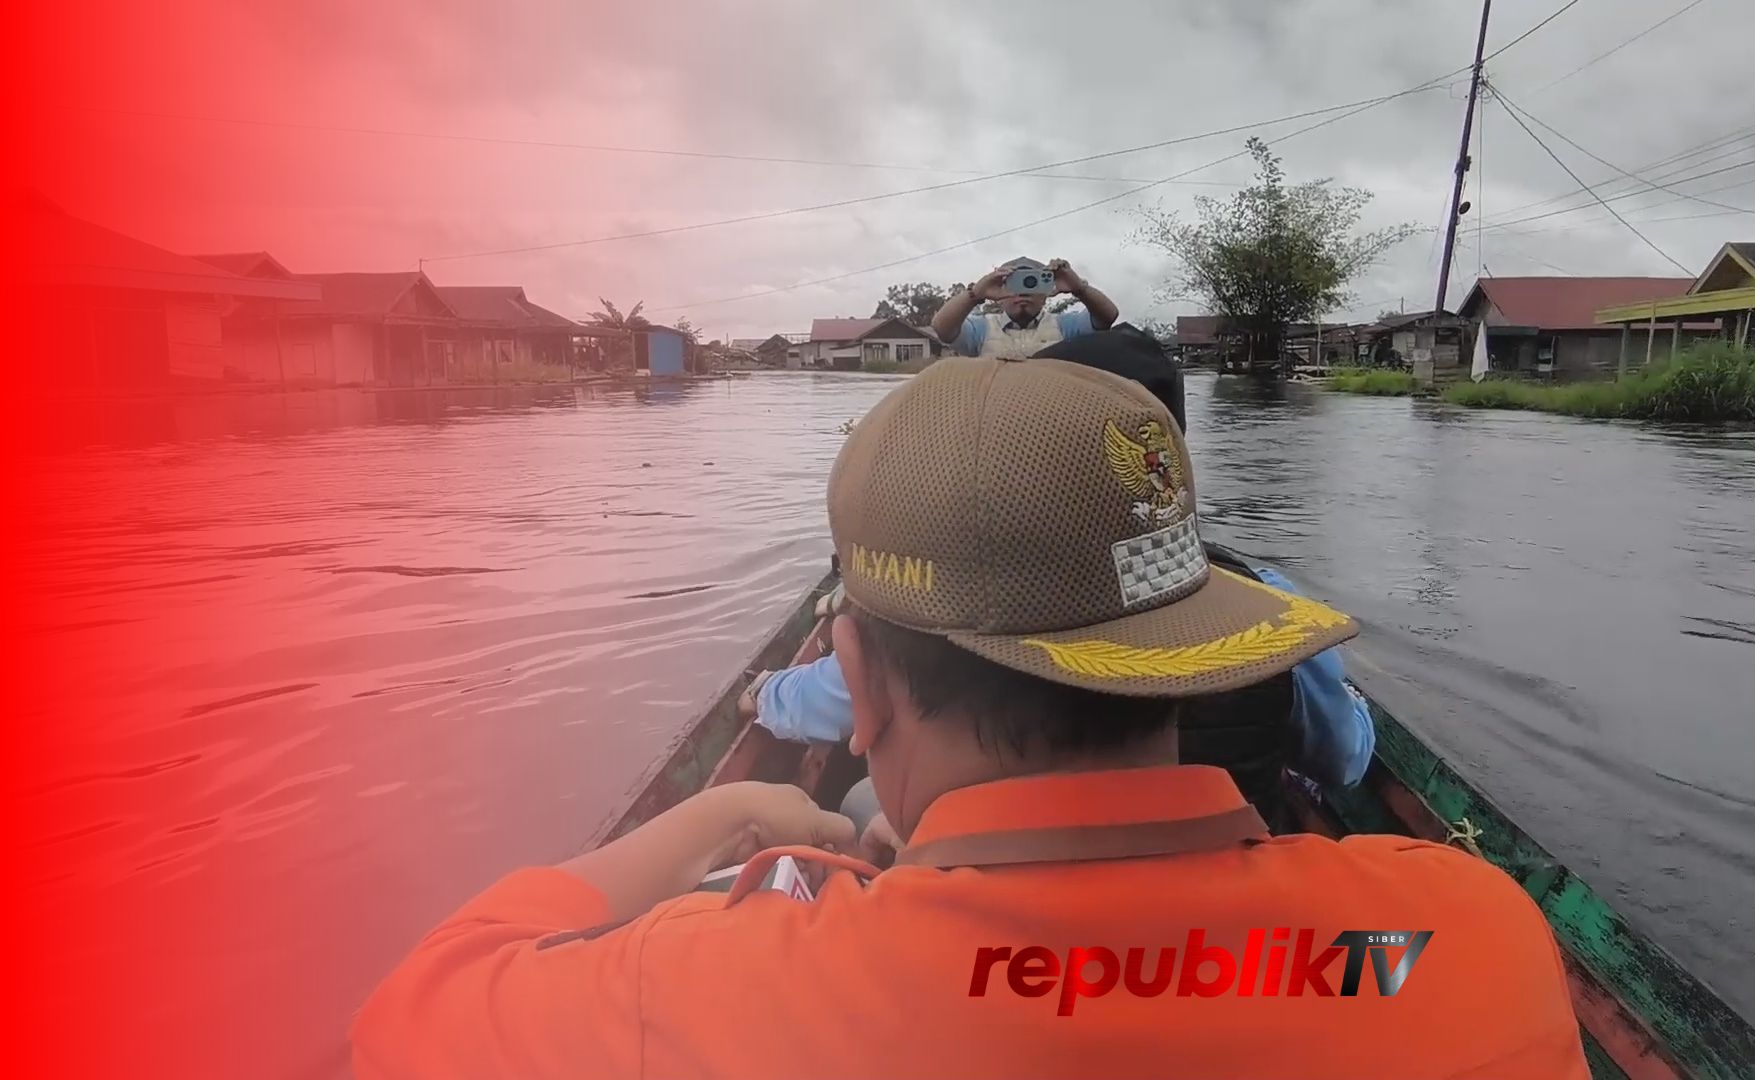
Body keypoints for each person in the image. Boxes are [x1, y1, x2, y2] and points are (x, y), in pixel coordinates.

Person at [352, 357, 1587, 1079]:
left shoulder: (721, 993)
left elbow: (418, 1005)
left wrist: (733, 805)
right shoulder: (1468, 931)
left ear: (865, 678)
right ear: (1194, 652)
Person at [744, 328, 1375, 823]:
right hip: (1240, 870)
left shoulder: (940, 597)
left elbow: (820, 701)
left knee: (857, 807)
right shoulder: (1268, 601)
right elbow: (1345, 759)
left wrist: (763, 692)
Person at [931, 256, 1119, 357]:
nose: (1023, 292)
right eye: (1015, 283)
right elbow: (942, 328)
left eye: (1032, 283)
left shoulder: (1065, 326)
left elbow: (1108, 316)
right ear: (999, 292)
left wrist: (1079, 289)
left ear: (1046, 293)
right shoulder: (982, 329)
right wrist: (976, 294)